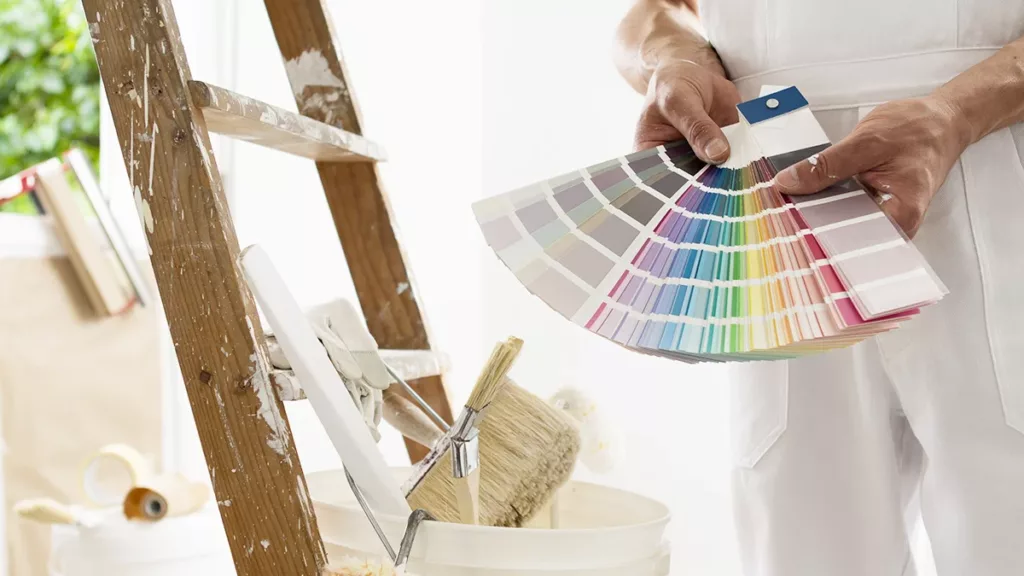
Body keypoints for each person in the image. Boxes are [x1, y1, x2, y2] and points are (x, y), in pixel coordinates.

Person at [613, 1, 1024, 575]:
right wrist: (674, 58)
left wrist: (957, 112)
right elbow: (658, 11)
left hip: (993, 174)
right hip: (775, 197)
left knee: (1008, 530)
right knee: (801, 547)